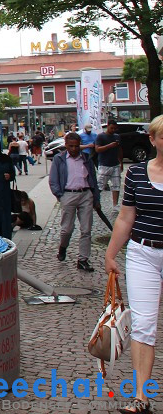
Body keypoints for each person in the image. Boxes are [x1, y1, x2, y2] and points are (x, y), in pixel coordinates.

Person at [104, 115, 163, 414]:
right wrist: (112, 253)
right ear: (152, 140)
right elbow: (126, 217)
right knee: (143, 327)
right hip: (143, 254)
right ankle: (142, 397)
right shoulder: (137, 173)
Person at [49, 131, 100, 272]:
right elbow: (53, 180)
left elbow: (93, 179)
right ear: (66, 145)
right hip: (68, 194)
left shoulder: (86, 158)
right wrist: (60, 195)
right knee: (67, 229)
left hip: (85, 194)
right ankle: (63, 247)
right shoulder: (59, 159)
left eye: (76, 146)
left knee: (86, 229)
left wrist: (96, 197)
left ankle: (83, 259)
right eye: (70, 146)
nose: (74, 149)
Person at [96, 119, 124, 207]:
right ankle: (95, 202)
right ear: (107, 126)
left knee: (116, 185)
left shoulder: (117, 136)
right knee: (100, 185)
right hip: (104, 164)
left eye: (115, 129)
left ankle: (115, 205)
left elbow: (119, 150)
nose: (113, 130)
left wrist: (121, 162)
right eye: (112, 128)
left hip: (115, 164)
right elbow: (97, 149)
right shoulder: (100, 136)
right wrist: (110, 146)